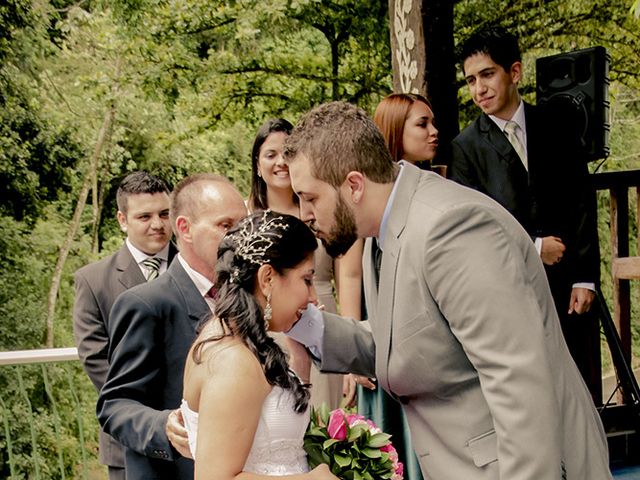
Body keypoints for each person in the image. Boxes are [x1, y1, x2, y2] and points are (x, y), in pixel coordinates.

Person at [284, 100, 611, 479]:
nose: (306, 213)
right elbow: (407, 339)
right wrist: (303, 324)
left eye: (310, 197)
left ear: (354, 185)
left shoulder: (451, 228)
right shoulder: (381, 231)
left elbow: (518, 380)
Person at [448, 27, 602, 402]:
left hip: (568, 285)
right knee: (535, 397)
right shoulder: (465, 148)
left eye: (487, 74)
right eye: (470, 80)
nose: (478, 89)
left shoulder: (558, 123)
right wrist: (533, 248)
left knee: (580, 392)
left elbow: (581, 199)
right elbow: (473, 229)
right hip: (512, 290)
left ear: (514, 72)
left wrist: (585, 277)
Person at [97, 173, 247, 480]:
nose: (242, 236)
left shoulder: (250, 294)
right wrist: (163, 425)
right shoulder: (146, 303)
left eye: (245, 224)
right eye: (226, 226)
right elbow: (115, 405)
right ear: (185, 228)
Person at [180, 210, 338, 479]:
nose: (312, 297)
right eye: (307, 280)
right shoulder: (233, 360)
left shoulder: (237, 339)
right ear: (267, 279)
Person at [248, 118, 363, 409]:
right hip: (263, 329)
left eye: (287, 153)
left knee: (321, 417)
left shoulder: (326, 207)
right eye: (270, 154)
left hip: (320, 318)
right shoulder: (244, 216)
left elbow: (349, 277)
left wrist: (351, 355)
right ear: (257, 166)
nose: (280, 162)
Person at [73, 171, 176, 480]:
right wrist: (144, 416)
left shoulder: (197, 265)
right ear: (122, 219)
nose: (157, 224)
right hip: (129, 437)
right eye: (144, 216)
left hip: (197, 429)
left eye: (164, 213)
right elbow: (95, 356)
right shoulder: (93, 281)